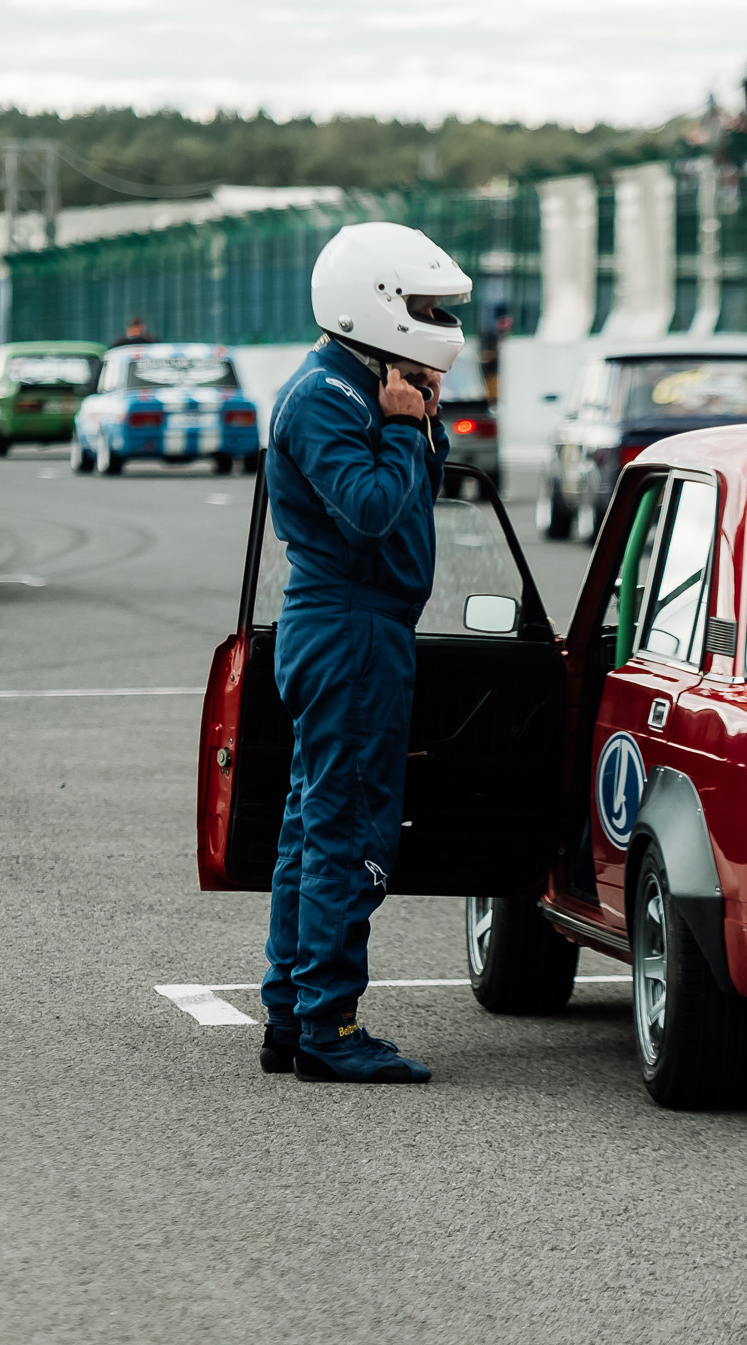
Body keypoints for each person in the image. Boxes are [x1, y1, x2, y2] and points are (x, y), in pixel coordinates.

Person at [257, 221, 467, 1085]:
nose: (436, 323)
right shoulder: (327, 397)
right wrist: (401, 427)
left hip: (357, 626)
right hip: (348, 627)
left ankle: (292, 1014)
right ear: (375, 305)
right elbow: (375, 510)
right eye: (423, 307)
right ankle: (329, 1027)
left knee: (315, 826)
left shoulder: (358, 386)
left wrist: (419, 419)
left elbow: (416, 491)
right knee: (347, 830)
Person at [478, 303, 511, 404]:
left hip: (498, 371)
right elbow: (484, 355)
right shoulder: (490, 335)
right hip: (491, 370)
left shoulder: (501, 335)